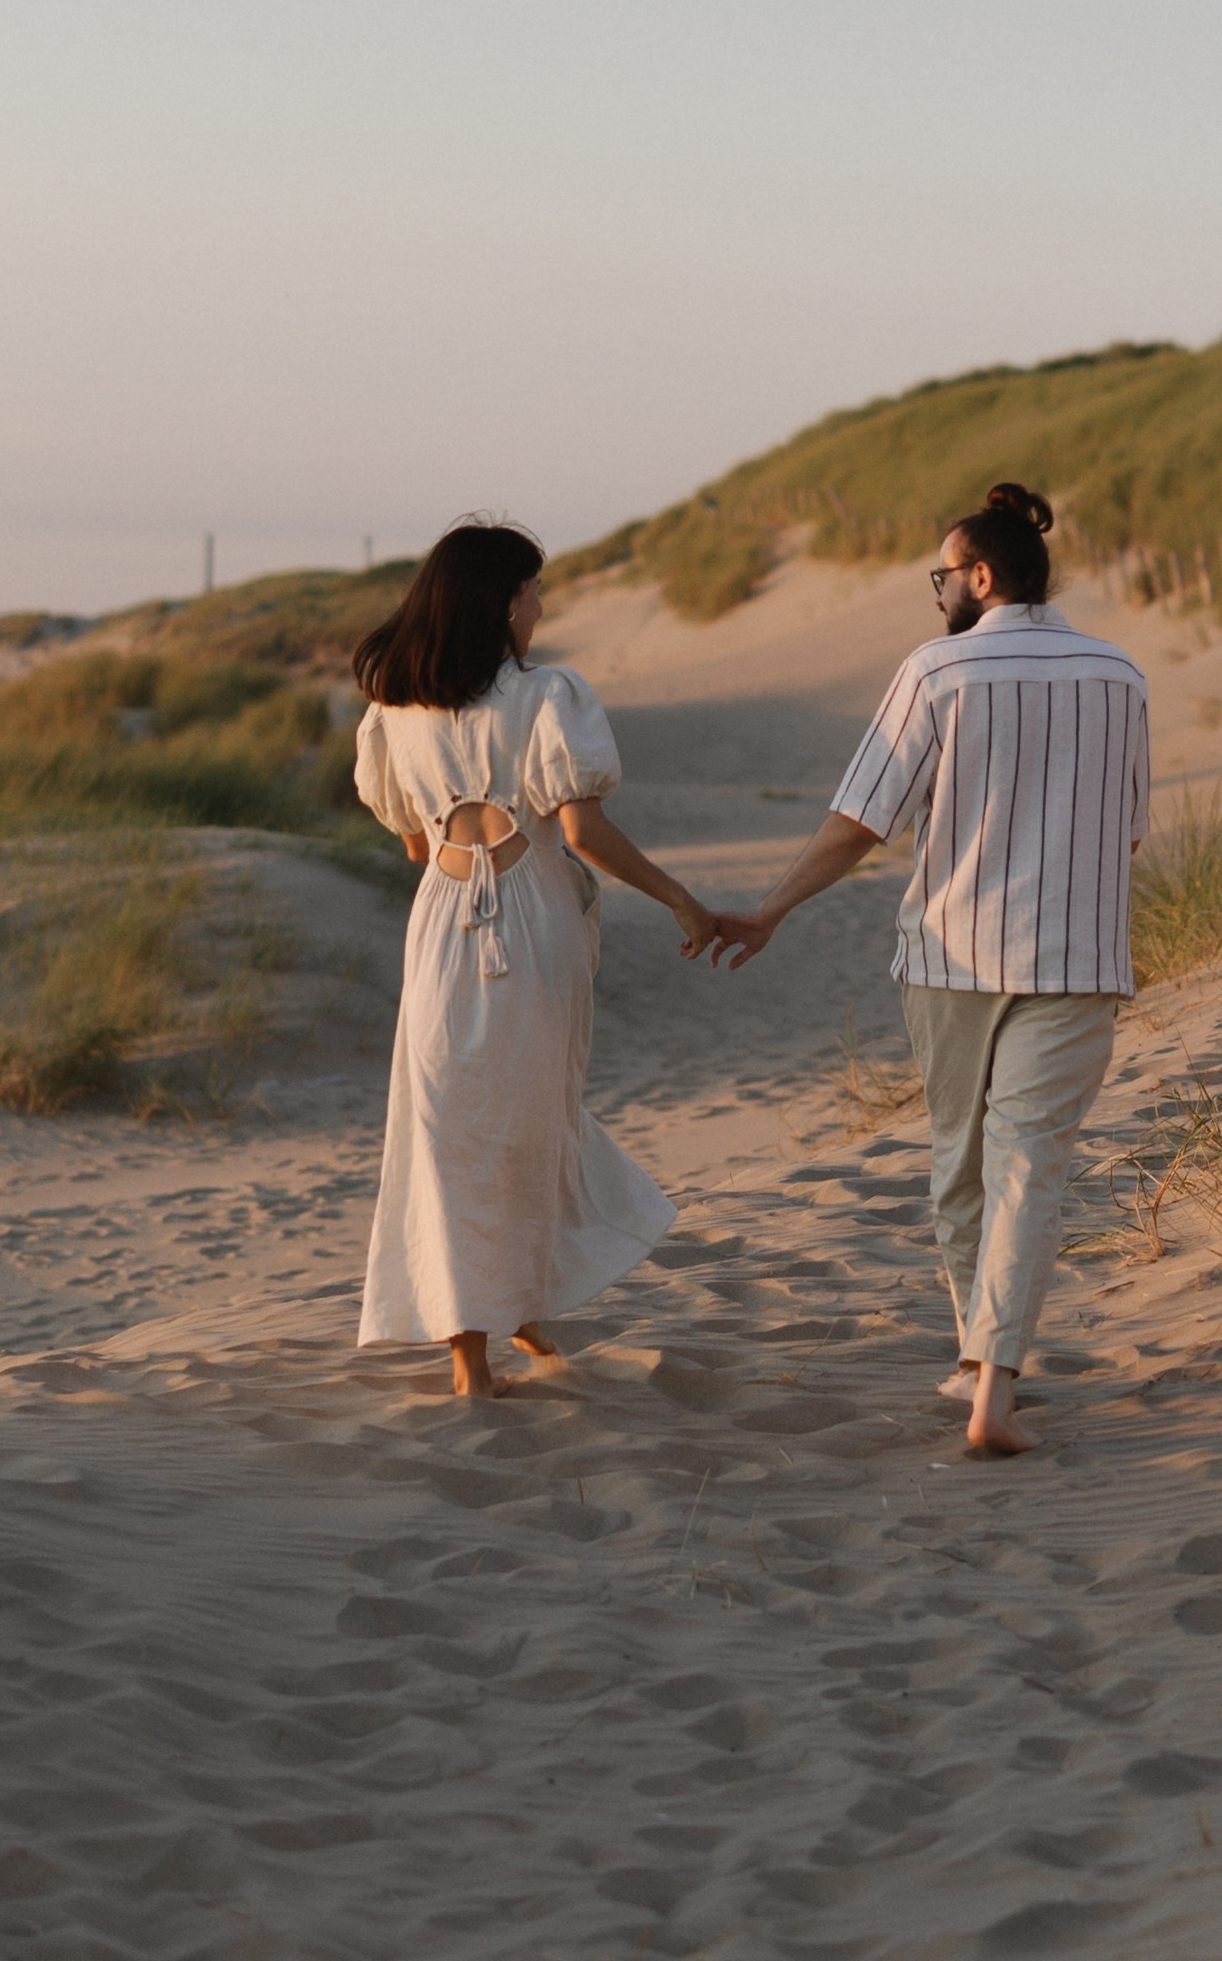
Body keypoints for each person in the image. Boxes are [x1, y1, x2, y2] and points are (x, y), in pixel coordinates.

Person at [708, 484, 1148, 1455]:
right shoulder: (1119, 674)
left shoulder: (938, 671)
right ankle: (985, 1371)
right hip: (1078, 956)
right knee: (1029, 1165)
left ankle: (983, 1370)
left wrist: (773, 908)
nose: (938, 592)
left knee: (962, 1165)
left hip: (953, 958)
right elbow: (1127, 830)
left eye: (942, 576)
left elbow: (860, 821)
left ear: (981, 577)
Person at [352, 519, 716, 1399]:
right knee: (528, 1115)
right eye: (533, 592)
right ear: (502, 602)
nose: (541, 607)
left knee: (446, 1126)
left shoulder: (394, 711)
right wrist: (680, 898)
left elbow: (411, 841)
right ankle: (510, 1317)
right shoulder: (548, 695)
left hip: (442, 923)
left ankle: (482, 1345)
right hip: (537, 918)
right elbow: (583, 833)